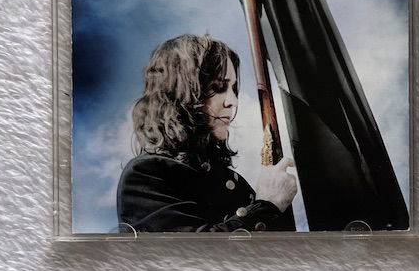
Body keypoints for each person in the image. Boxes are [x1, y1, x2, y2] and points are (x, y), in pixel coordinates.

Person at [116, 34, 298, 233]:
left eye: (233, 88)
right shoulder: (146, 174)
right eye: (218, 87)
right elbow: (198, 249)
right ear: (180, 93)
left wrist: (277, 204)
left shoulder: (227, 179)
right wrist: (266, 206)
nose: (233, 101)